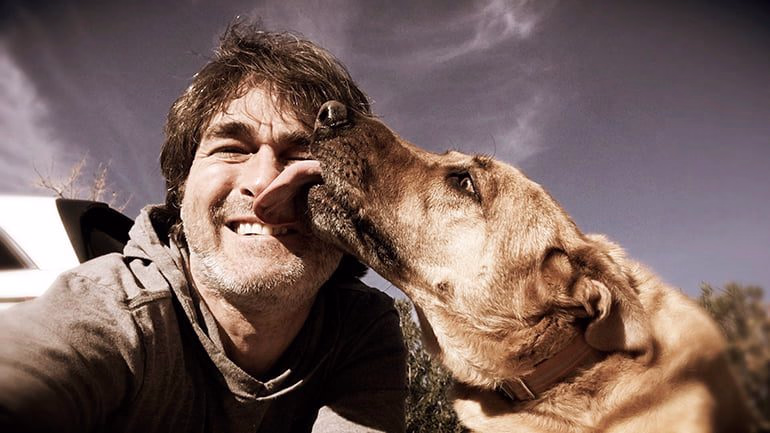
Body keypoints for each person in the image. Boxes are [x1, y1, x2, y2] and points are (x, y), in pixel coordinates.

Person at [0, 22, 407, 432]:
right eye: (232, 149)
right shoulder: (111, 308)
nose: (264, 181)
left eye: (302, 155)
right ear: (181, 189)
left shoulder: (362, 328)